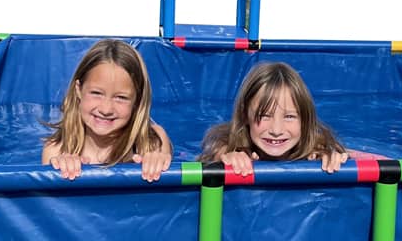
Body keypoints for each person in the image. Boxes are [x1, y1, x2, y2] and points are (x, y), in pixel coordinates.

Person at [42, 39, 172, 181]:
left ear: (137, 100)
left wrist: (157, 163)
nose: (106, 109)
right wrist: (62, 173)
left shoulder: (153, 142)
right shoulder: (56, 151)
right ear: (78, 90)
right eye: (96, 93)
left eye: (121, 97)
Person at [199, 61, 349, 175]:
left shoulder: (316, 149)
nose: (276, 130)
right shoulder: (227, 147)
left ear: (305, 120)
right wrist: (223, 159)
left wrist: (334, 158)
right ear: (245, 115)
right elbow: (212, 154)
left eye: (289, 116)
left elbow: (347, 155)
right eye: (264, 115)